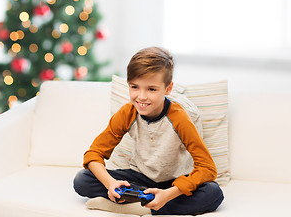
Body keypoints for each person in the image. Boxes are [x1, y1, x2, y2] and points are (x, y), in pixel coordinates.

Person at [73, 47, 224, 215]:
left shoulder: (180, 118)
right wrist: (110, 184)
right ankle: (146, 201)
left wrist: (169, 194)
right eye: (135, 87)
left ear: (167, 89)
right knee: (82, 180)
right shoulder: (127, 113)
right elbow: (94, 153)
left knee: (213, 194)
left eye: (151, 89)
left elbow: (207, 168)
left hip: (174, 184)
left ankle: (136, 205)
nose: (141, 96)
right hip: (140, 177)